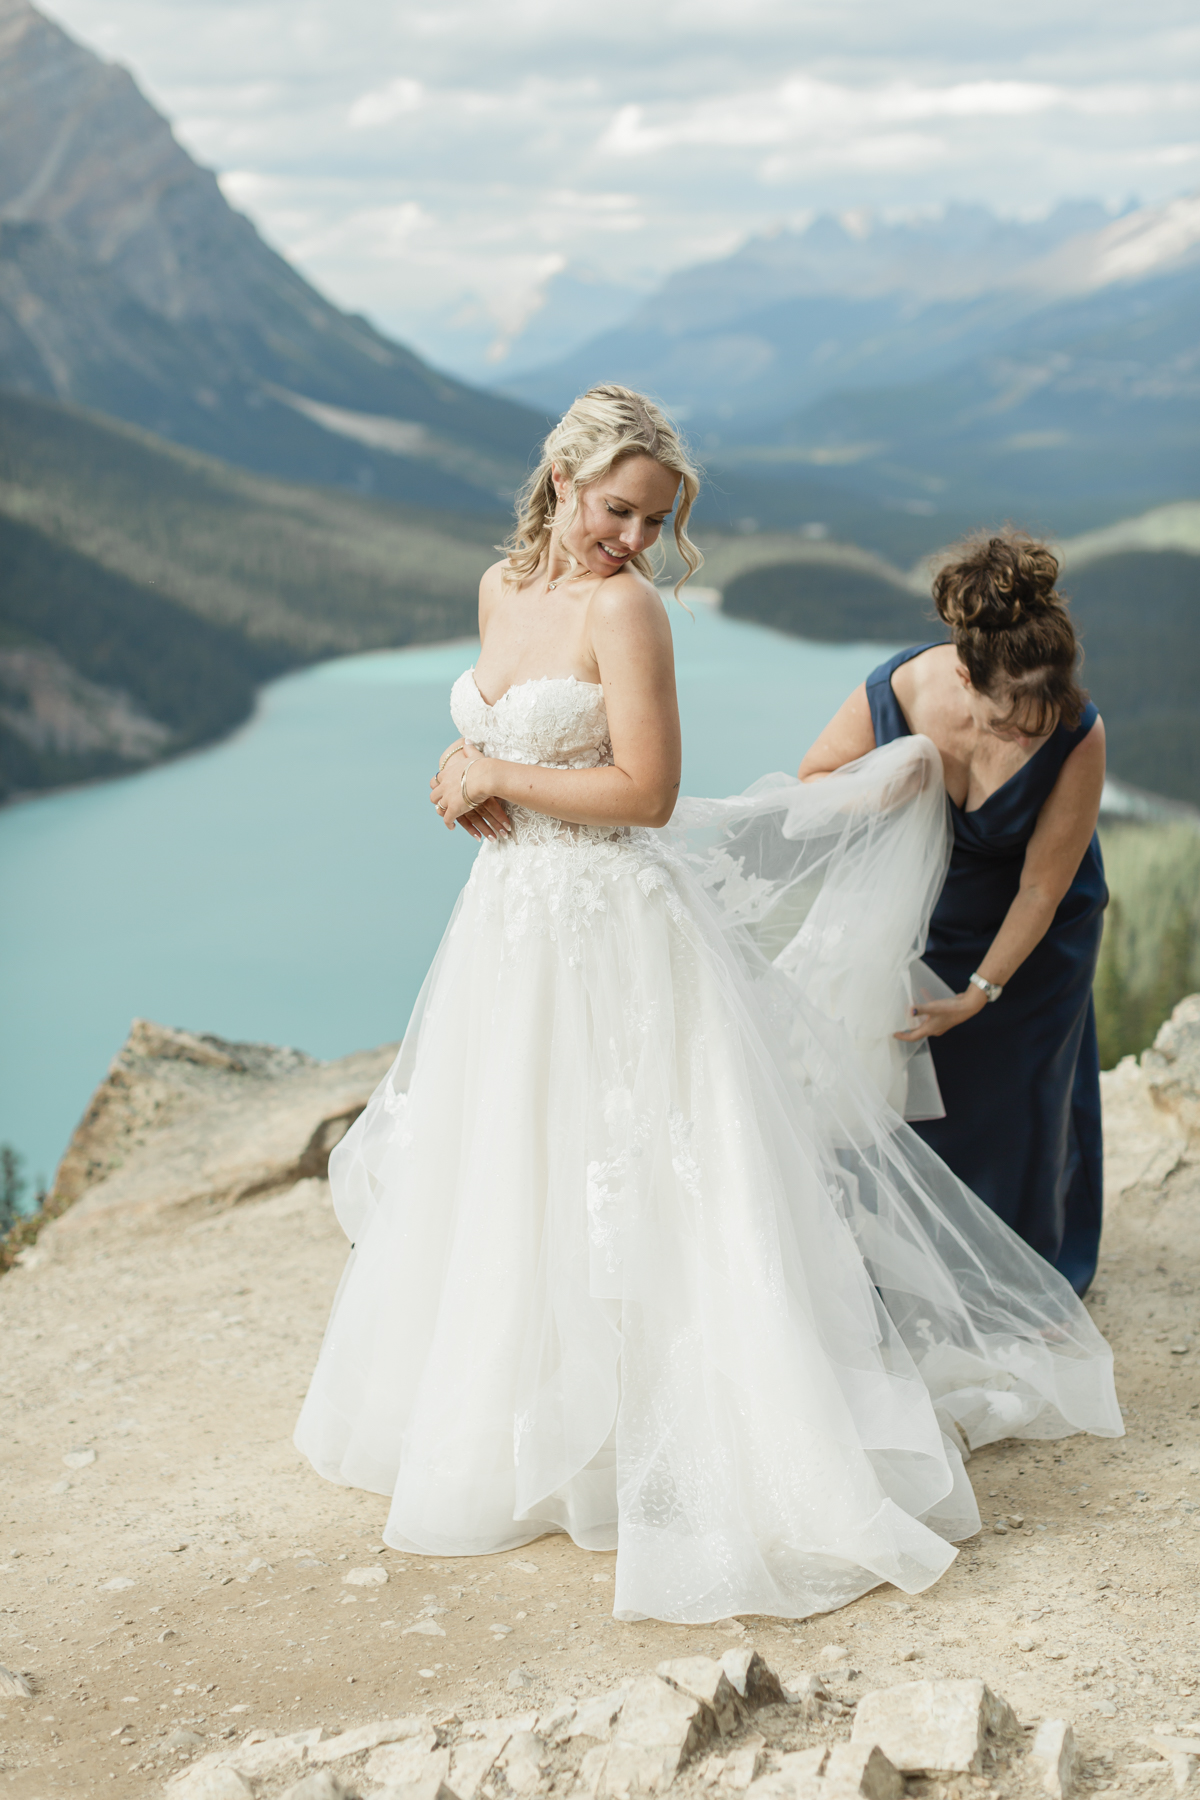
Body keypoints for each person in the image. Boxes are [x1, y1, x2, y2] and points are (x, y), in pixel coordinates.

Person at [295, 391, 1120, 1626]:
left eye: (654, 518)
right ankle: (530, 1416)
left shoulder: (630, 610)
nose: (631, 537)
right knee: (518, 1156)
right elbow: (500, 730)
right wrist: (467, 782)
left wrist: (497, 770)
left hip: (615, 925)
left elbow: (643, 791)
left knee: (647, 1169)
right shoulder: (498, 589)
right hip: (512, 918)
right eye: (616, 508)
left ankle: (692, 1425)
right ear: (562, 480)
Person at [798, 531, 1106, 1296]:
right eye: (1011, 723)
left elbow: (1042, 888)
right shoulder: (896, 692)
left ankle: (1029, 1278)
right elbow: (812, 784)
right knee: (913, 1099)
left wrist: (982, 991)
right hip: (924, 923)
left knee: (1023, 1094)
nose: (1026, 738)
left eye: (1041, 724)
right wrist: (884, 787)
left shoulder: (1077, 733)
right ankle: (916, 1269)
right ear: (966, 677)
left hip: (1036, 942)